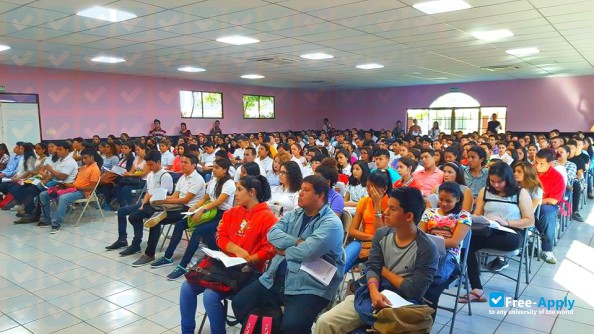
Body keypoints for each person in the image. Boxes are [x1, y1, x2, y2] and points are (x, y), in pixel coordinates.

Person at [314, 187, 438, 334]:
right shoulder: (381, 234)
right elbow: (372, 268)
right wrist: (374, 291)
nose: (385, 213)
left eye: (392, 209)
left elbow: (413, 291)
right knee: (325, 322)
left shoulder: (427, 249)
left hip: (403, 305)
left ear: (409, 216)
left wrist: (383, 270)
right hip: (372, 294)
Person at [232, 175, 345, 334]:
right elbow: (272, 234)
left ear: (320, 196)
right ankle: (270, 326)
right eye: (301, 190)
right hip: (275, 277)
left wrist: (284, 250)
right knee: (239, 303)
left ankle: (273, 325)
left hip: (309, 284)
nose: (300, 193)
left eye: (306, 190)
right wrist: (298, 242)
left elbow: (307, 252)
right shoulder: (296, 214)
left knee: (292, 327)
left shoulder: (331, 223)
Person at [179, 175, 277, 334]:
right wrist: (235, 249)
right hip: (223, 264)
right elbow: (220, 236)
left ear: (252, 192)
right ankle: (187, 330)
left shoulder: (268, 217)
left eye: (239, 190)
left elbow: (270, 249)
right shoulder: (232, 212)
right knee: (186, 287)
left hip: (247, 270)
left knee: (210, 296)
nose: (235, 194)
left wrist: (251, 258)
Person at [460, 161, 534, 302]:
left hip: (511, 233)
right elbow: (477, 214)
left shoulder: (520, 193)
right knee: (465, 241)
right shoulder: (485, 191)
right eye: (493, 181)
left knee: (473, 241)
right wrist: (472, 217)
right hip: (488, 229)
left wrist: (505, 222)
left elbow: (530, 221)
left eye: (500, 182)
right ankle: (477, 289)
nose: (496, 185)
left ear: (508, 179)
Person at [160, 157, 236, 280]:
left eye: (217, 168)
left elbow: (219, 201)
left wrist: (202, 210)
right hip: (210, 210)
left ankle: (183, 265)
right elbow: (205, 198)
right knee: (180, 224)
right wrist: (195, 207)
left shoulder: (229, 183)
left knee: (198, 231)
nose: (214, 170)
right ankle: (167, 257)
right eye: (214, 167)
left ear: (225, 170)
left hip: (222, 215)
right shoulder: (213, 181)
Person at [130, 154, 205, 266]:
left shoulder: (197, 179)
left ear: (194, 165)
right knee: (151, 214)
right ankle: (147, 249)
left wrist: (164, 201)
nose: (182, 164)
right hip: (178, 206)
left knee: (156, 219)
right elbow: (175, 196)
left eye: (185, 163)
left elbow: (185, 200)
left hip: (188, 209)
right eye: (182, 162)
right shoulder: (183, 177)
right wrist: (161, 198)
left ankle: (149, 254)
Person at [420, 182, 472, 311]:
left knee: (434, 280)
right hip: (428, 252)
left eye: (449, 201)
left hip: (449, 255)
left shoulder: (463, 216)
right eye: (441, 199)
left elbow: (454, 242)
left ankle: (423, 310)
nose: (443, 204)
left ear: (457, 199)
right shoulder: (429, 212)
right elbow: (420, 235)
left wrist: (430, 241)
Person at [38, 149, 101, 234]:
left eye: (85, 158)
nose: (83, 160)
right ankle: (46, 220)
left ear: (92, 157)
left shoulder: (95, 169)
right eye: (83, 158)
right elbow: (76, 181)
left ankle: (56, 224)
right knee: (43, 194)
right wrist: (65, 185)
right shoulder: (83, 167)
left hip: (82, 192)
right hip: (73, 188)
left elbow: (91, 188)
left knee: (63, 198)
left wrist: (74, 186)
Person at [344, 170, 391, 273]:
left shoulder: (390, 205)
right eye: (368, 187)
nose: (370, 191)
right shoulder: (364, 201)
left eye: (374, 187)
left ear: (385, 189)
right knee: (342, 262)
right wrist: (371, 237)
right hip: (363, 241)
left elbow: (382, 235)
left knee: (371, 270)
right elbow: (352, 231)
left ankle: (358, 285)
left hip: (382, 246)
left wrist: (377, 206)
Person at [534, 149, 564, 264]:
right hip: (526, 201)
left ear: (550, 164)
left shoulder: (557, 176)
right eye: (536, 162)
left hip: (545, 204)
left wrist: (537, 202)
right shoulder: (530, 170)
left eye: (541, 164)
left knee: (547, 214)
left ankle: (546, 249)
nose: (537, 166)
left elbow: (553, 200)